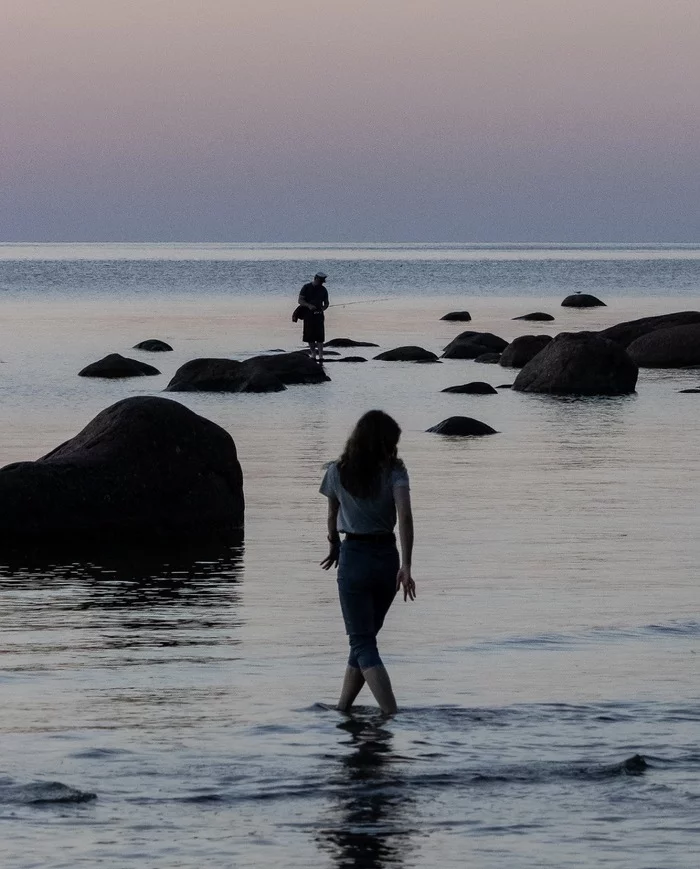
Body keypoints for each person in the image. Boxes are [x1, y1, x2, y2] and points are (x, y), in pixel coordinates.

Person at [319, 410, 416, 715]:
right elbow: (405, 517)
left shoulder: (336, 471)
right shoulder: (396, 472)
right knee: (363, 641)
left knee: (363, 643)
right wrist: (407, 565)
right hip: (387, 559)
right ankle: (343, 709)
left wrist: (334, 546)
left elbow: (332, 518)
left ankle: (391, 714)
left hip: (355, 558)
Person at [298, 272, 329, 363]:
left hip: (319, 315)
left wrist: (323, 309)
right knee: (309, 335)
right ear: (315, 278)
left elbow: (326, 303)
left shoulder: (323, 290)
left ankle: (321, 356)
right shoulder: (306, 287)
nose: (321, 283)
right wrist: (308, 305)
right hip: (308, 314)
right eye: (320, 281)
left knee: (320, 336)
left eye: (322, 282)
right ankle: (313, 355)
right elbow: (300, 300)